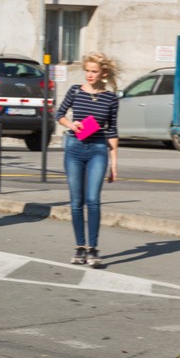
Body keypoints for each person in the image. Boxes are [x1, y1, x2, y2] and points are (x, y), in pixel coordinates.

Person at [55, 51, 120, 268]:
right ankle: (80, 247)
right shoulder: (75, 91)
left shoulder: (111, 98)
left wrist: (114, 163)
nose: (89, 75)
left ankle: (93, 248)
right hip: (74, 147)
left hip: (98, 149)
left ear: (103, 73)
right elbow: (59, 114)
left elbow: (112, 131)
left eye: (94, 71)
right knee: (76, 201)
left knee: (93, 200)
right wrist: (71, 124)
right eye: (87, 71)